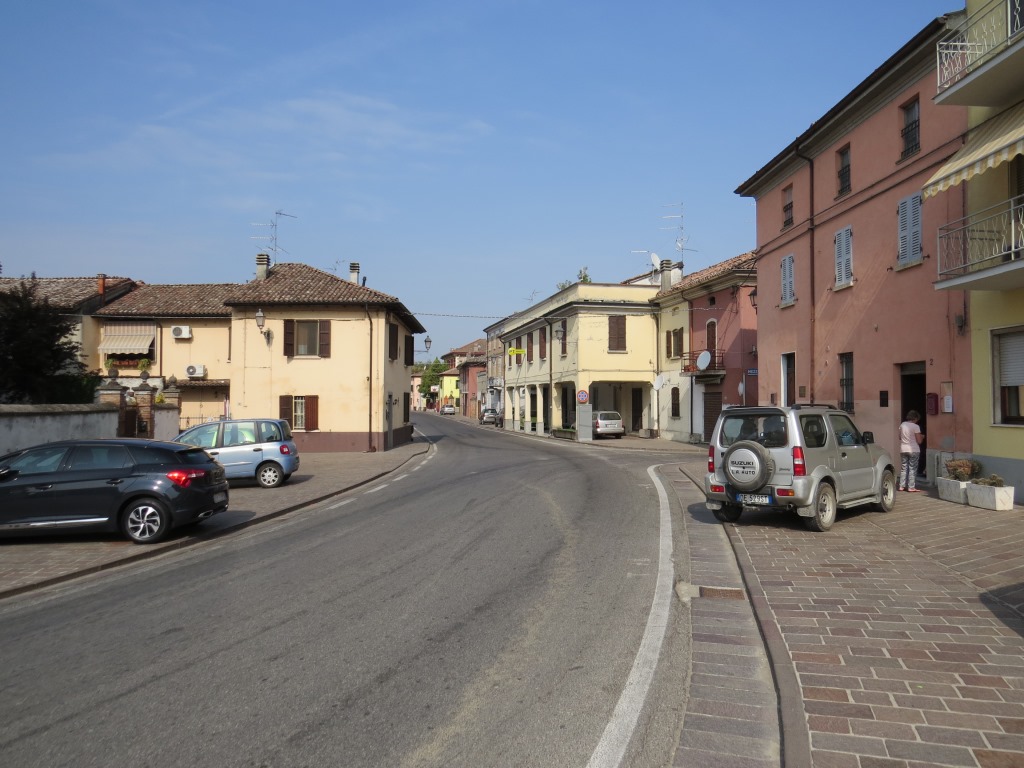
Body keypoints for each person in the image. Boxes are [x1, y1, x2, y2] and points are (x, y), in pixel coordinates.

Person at [898, 410, 925, 492]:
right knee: (912, 468)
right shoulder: (916, 427)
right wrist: (922, 437)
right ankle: (911, 487)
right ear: (915, 418)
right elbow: (919, 441)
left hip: (903, 449)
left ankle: (901, 486)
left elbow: (899, 437)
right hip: (913, 449)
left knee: (904, 468)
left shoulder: (902, 425)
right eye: (917, 419)